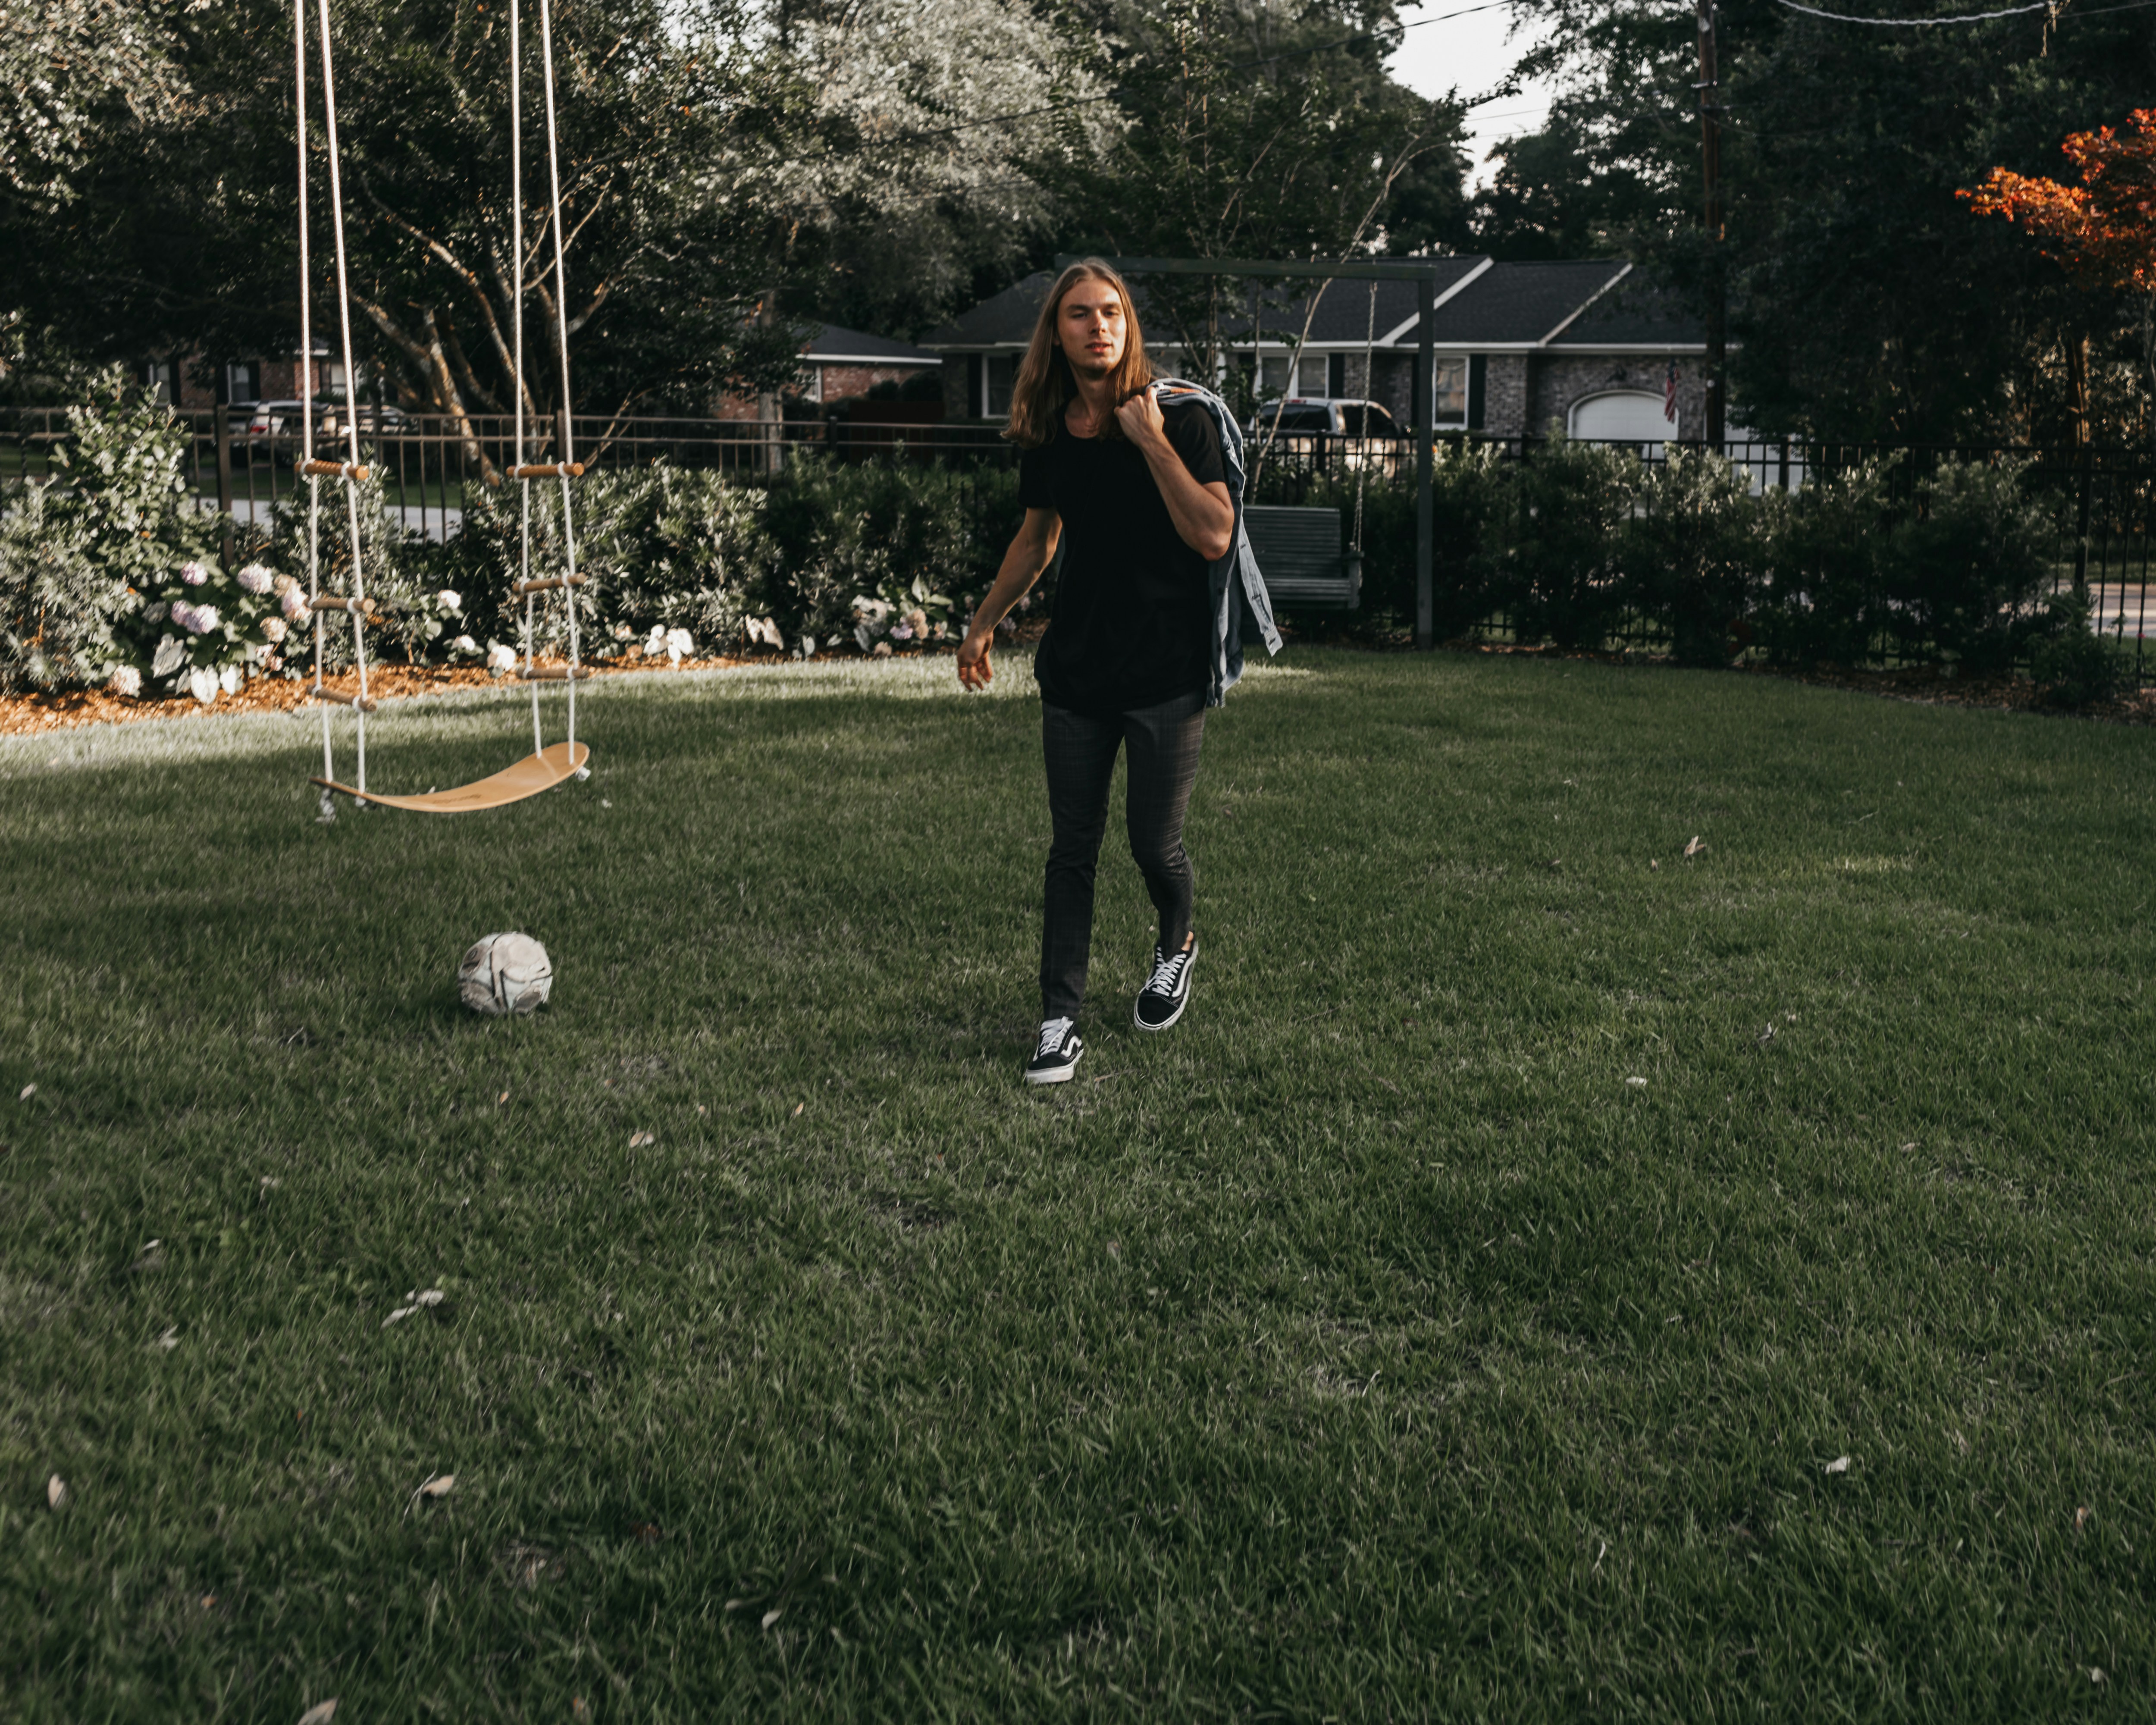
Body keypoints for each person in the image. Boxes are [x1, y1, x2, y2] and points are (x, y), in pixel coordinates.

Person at [956, 260, 1236, 1085]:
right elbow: (1038, 540)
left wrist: (1150, 442)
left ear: (1129, 326)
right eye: (1080, 314)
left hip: (1166, 672)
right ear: (1057, 332)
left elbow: (1214, 534)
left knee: (1155, 845)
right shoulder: (1051, 433)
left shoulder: (1180, 421)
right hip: (1076, 671)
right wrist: (982, 623)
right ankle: (1058, 1020)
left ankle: (1176, 941)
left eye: (1112, 313)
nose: (1099, 327)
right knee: (1071, 848)